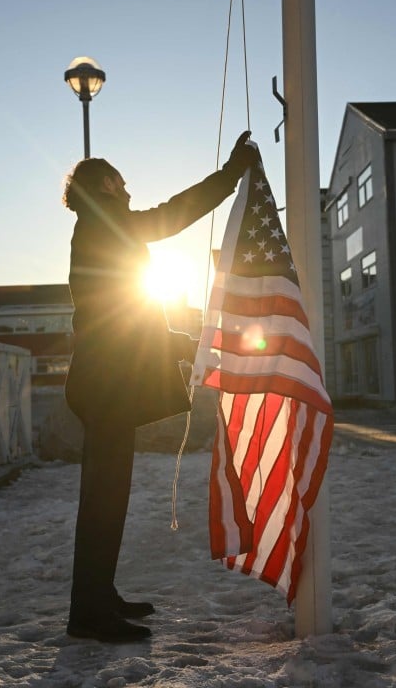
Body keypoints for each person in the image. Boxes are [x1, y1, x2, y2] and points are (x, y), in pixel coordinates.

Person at [61, 131, 259, 642]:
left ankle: (99, 596)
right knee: (103, 502)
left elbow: (120, 317)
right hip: (104, 390)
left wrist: (177, 341)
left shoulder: (99, 229)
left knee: (110, 499)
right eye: (120, 180)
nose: (127, 187)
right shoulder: (106, 224)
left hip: (107, 386)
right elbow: (174, 214)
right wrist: (232, 173)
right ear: (105, 183)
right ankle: (87, 614)